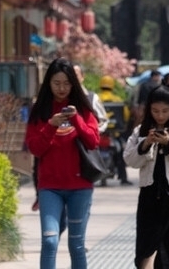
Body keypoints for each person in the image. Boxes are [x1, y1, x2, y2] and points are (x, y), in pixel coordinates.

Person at [25, 57, 101, 269]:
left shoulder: (83, 109)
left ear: (74, 84)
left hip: (80, 186)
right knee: (50, 241)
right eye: (57, 83)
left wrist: (76, 119)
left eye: (67, 83)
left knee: (77, 245)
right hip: (50, 187)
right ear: (48, 83)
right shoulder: (39, 110)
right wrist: (50, 125)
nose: (61, 88)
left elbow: (93, 141)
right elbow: (35, 148)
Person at [124, 86, 169, 269]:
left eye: (165, 111)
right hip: (150, 194)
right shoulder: (141, 131)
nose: (160, 116)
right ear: (149, 109)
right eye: (155, 111)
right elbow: (130, 159)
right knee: (147, 244)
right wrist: (146, 143)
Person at [97, 74, 133, 185]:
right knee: (121, 154)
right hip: (114, 134)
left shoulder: (96, 98)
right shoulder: (117, 99)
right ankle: (123, 178)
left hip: (98, 133)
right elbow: (126, 115)